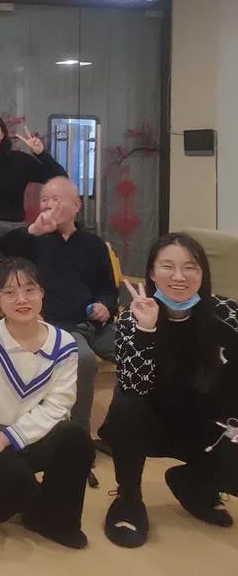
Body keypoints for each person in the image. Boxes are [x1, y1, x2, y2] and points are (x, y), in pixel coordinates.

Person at [99, 233, 238, 548]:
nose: (179, 276)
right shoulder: (132, 317)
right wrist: (146, 330)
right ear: (151, 272)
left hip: (210, 426)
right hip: (153, 424)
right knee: (126, 407)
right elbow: (133, 385)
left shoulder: (227, 312)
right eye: (168, 266)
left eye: (190, 267)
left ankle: (193, 483)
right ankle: (129, 498)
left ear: (202, 273)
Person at [0, 258, 92, 549]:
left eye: (29, 289)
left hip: (22, 431)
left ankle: (56, 521)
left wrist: (7, 437)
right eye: (10, 292)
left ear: (42, 293)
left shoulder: (64, 344)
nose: (21, 299)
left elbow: (58, 406)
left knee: (76, 440)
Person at [0, 176, 117, 434]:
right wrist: (33, 230)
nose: (48, 205)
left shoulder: (94, 244)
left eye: (56, 199)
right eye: (44, 200)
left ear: (76, 205)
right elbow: (4, 247)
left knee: (136, 350)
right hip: (57, 324)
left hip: (96, 323)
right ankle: (79, 433)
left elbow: (109, 289)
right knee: (83, 359)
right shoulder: (34, 241)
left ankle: (114, 428)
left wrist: (106, 306)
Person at [0, 112, 66, 224]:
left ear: (2, 134)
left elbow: (61, 180)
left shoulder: (20, 161)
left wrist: (41, 154)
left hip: (15, 229)